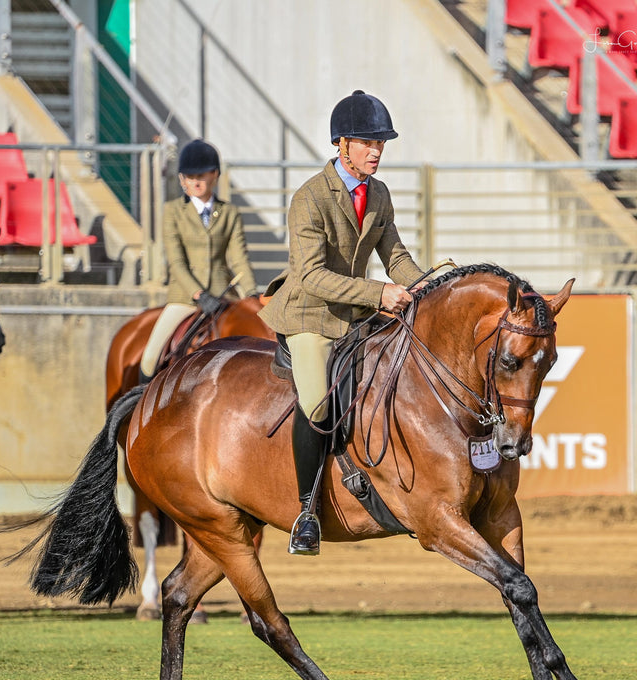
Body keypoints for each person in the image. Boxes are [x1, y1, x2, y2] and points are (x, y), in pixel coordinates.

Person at [259, 90, 426, 556]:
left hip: (353, 315)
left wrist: (430, 284)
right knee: (317, 405)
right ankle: (306, 513)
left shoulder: (379, 193)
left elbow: (395, 257)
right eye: (368, 143)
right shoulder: (310, 197)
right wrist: (379, 294)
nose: (377, 151)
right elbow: (311, 275)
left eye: (382, 144)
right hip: (309, 314)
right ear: (342, 144)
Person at [139, 138, 258, 382]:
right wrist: (198, 294)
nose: (195, 181)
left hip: (223, 297)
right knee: (150, 358)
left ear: (214, 175)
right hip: (185, 299)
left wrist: (251, 295)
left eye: (201, 175)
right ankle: (141, 406)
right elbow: (176, 262)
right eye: (189, 176)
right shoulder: (173, 211)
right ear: (182, 178)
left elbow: (239, 259)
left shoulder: (229, 213)